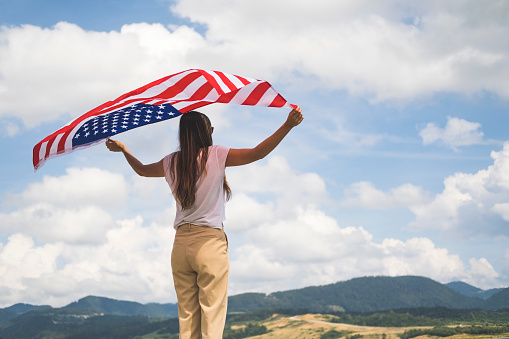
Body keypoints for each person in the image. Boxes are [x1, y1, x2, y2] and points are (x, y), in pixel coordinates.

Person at [106, 106, 303, 339]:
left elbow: (142, 171)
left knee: (187, 319)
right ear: (206, 131)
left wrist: (124, 149)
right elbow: (257, 153)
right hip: (209, 243)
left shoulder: (171, 162)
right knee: (212, 317)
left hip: (180, 246)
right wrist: (287, 125)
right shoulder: (216, 154)